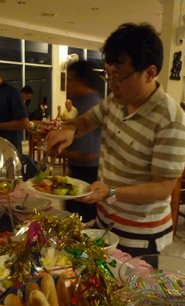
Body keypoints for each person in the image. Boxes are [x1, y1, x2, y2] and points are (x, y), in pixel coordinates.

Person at [47, 23, 185, 257]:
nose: (112, 84)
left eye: (120, 77)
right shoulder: (115, 101)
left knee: (132, 292)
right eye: (108, 74)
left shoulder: (171, 120)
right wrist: (70, 130)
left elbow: (163, 187)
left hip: (141, 234)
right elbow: (86, 121)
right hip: (106, 220)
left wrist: (111, 192)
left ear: (150, 73)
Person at [61, 60, 102, 222]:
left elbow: (90, 155)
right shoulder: (83, 102)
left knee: (81, 221)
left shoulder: (93, 104)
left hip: (89, 174)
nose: (67, 85)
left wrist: (62, 152)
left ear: (82, 81)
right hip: (79, 171)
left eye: (70, 80)